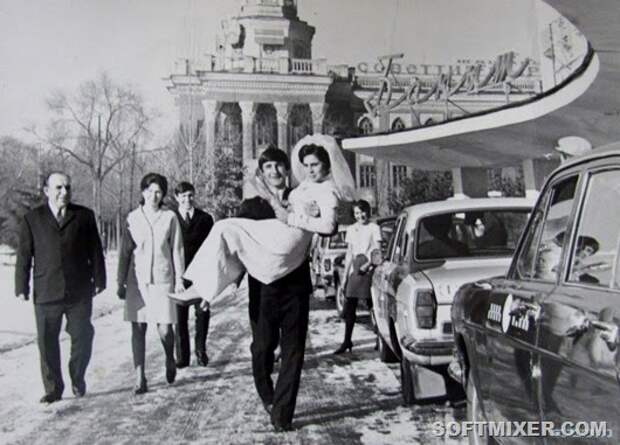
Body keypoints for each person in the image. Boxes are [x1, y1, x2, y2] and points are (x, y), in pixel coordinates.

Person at [171, 134, 355, 306]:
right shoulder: (303, 186)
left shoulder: (328, 190)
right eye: (306, 165)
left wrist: (292, 217)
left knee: (223, 228)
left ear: (326, 165)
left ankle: (199, 288)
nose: (310, 170)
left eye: (315, 165)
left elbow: (329, 226)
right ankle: (202, 288)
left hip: (289, 249)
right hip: (271, 268)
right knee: (224, 230)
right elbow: (239, 251)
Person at [236, 145, 316, 431]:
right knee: (262, 348)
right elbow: (238, 244)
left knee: (293, 351)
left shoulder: (301, 199)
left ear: (287, 169)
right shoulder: (250, 207)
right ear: (261, 172)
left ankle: (282, 414)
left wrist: (314, 213)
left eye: (279, 165)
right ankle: (269, 396)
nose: (274, 171)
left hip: (296, 286)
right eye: (268, 167)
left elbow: (323, 221)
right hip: (262, 288)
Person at [14, 172, 106, 403]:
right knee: (47, 342)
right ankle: (53, 388)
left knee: (83, 335)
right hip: (47, 291)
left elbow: (95, 250)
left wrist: (99, 279)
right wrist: (21, 285)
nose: (64, 192)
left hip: (79, 291)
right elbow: (24, 255)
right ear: (47, 191)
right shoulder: (32, 219)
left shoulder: (84, 216)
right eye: (58, 188)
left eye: (67, 187)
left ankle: (77, 375)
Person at [117, 173, 185, 395]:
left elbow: (177, 249)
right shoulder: (133, 218)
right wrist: (120, 282)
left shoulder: (170, 217)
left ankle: (169, 357)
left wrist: (180, 279)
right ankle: (140, 377)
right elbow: (125, 252)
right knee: (138, 328)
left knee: (165, 329)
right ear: (142, 192)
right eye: (149, 191)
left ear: (163, 194)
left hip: (163, 280)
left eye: (158, 192)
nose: (153, 196)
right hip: (137, 281)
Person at [173, 182, 214, 368]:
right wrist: (176, 275)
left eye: (190, 195)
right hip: (179, 275)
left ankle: (200, 351)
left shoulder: (205, 219)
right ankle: (182, 356)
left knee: (202, 313)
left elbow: (211, 247)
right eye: (183, 196)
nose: (187, 199)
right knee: (179, 316)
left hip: (200, 274)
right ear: (177, 198)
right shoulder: (171, 218)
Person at [334, 199, 382, 354]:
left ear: (368, 211)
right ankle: (347, 341)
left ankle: (380, 338)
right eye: (356, 213)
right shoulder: (351, 229)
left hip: (369, 268)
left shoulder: (374, 228)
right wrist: (345, 277)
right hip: (355, 268)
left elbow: (377, 252)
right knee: (350, 305)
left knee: (372, 305)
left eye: (362, 212)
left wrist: (368, 265)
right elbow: (349, 253)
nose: (360, 216)